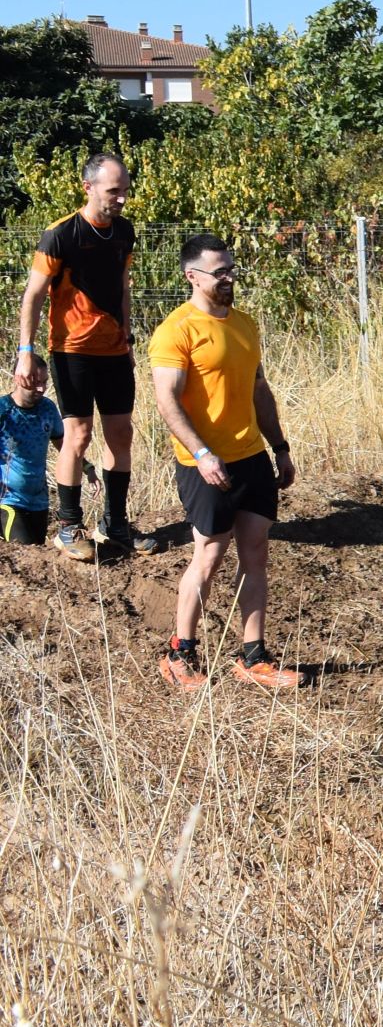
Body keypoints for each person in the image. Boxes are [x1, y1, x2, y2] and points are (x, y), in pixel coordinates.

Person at [148, 235, 299, 692]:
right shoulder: (176, 330)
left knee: (256, 552)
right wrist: (201, 453)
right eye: (220, 272)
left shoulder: (246, 325)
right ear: (192, 276)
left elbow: (259, 390)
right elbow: (167, 402)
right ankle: (180, 651)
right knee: (209, 555)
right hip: (203, 464)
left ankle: (253, 656)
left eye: (232, 268)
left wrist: (281, 446)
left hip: (251, 455)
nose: (230, 277)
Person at [14, 152, 158, 560]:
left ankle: (115, 525)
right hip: (71, 351)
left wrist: (128, 341)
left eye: (126, 191)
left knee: (121, 434)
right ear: (88, 187)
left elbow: (124, 288)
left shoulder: (125, 232)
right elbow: (34, 296)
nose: (122, 199)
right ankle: (68, 527)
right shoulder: (60, 235)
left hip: (114, 352)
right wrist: (26, 352)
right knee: (77, 436)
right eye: (114, 191)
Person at [0, 353, 89, 546]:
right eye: (35, 382)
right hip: (8, 501)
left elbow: (64, 444)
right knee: (23, 551)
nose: (41, 388)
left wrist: (87, 468)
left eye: (44, 382)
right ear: (18, 377)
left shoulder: (47, 408)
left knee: (38, 555)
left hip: (39, 502)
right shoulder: (3, 410)